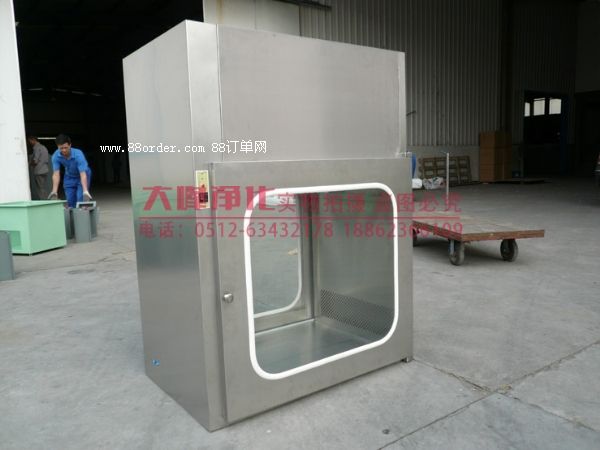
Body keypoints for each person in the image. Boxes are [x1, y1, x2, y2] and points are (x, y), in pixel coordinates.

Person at [48, 134, 93, 208]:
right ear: (57, 146)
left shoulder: (78, 154)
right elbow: (56, 174)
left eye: (66, 147)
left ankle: (82, 211)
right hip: (69, 175)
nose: (64, 150)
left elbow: (83, 174)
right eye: (61, 148)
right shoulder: (55, 156)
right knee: (70, 200)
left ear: (70, 145)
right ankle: (73, 212)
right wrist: (54, 191)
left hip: (83, 174)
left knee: (80, 198)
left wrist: (85, 191)